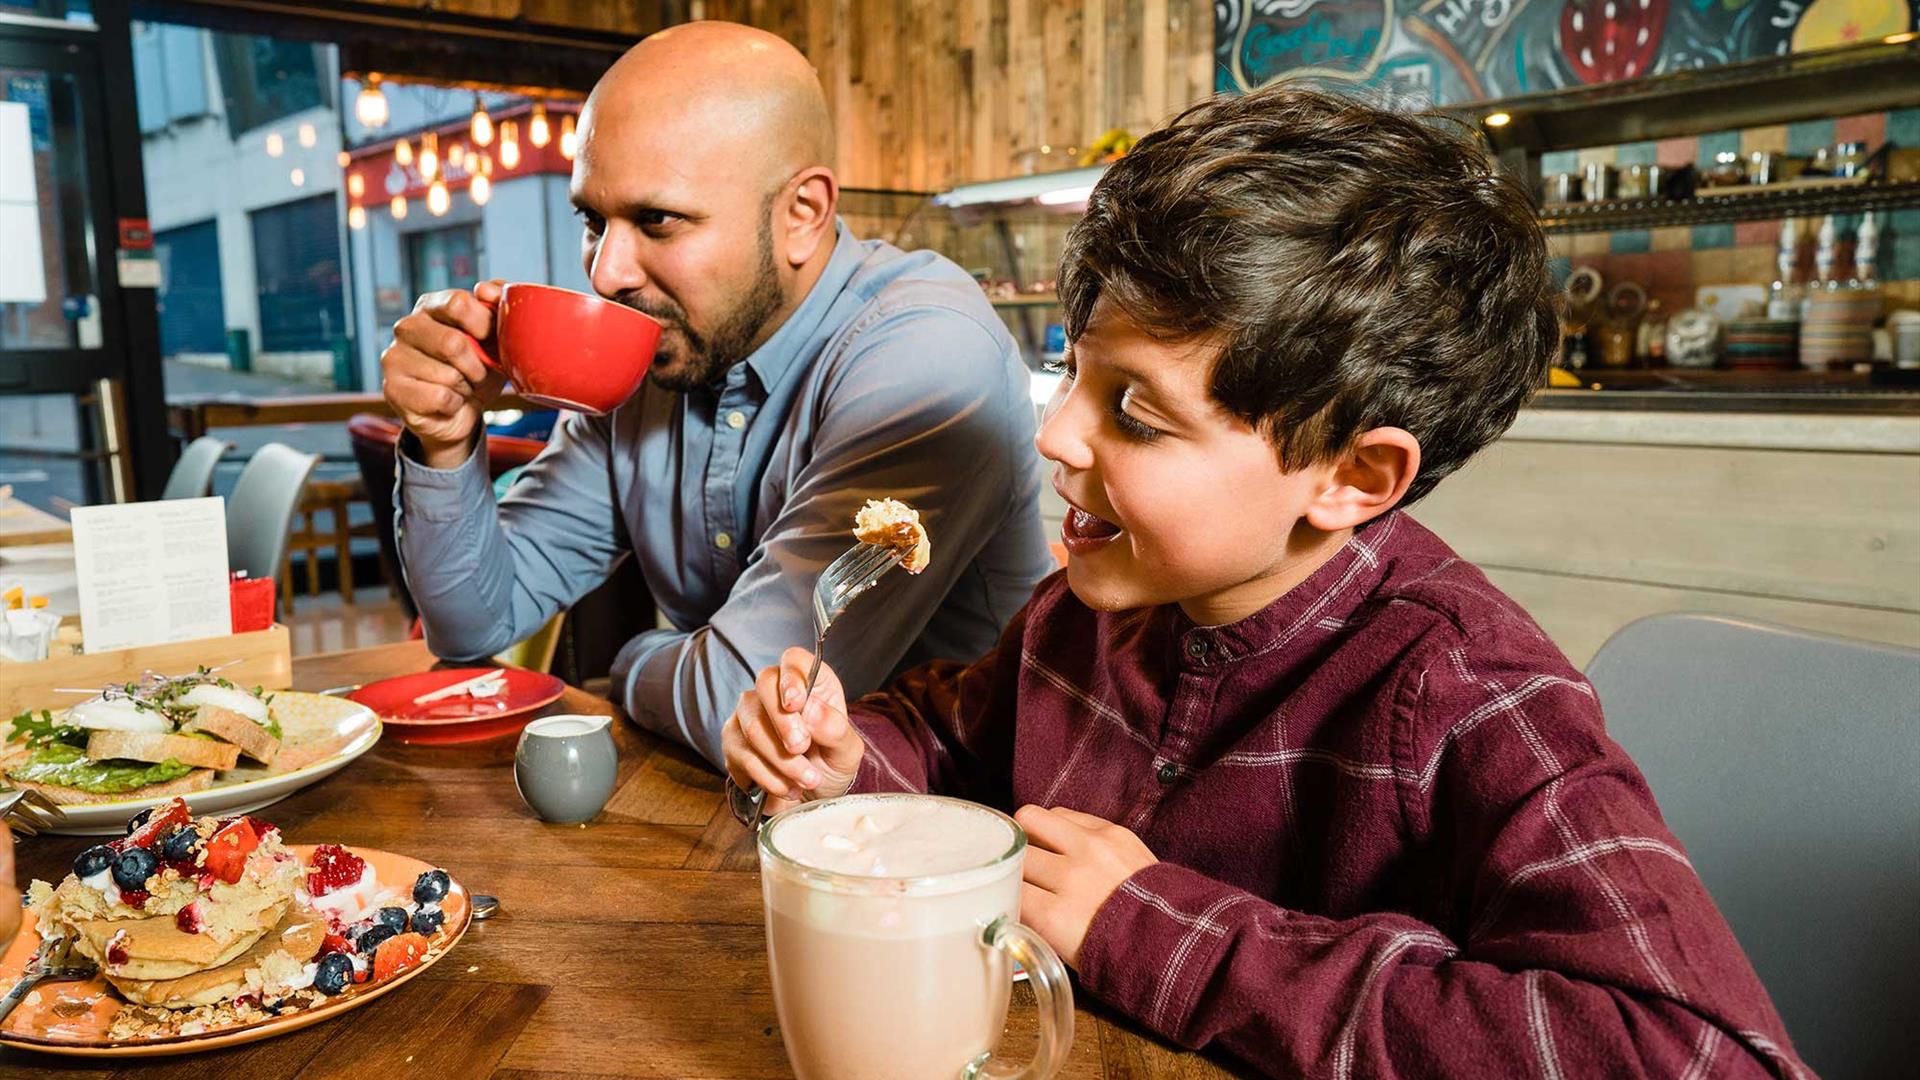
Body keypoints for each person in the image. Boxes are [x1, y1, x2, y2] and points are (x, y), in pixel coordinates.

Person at [722, 84, 1810, 1077]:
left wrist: (1159, 934)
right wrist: (846, 764)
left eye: (1137, 415)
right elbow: (953, 738)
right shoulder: (1088, 609)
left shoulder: (1473, 698)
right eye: (1071, 369)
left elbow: (1699, 1054)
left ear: (1351, 475)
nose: (1055, 433)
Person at [380, 22, 1053, 765]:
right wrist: (444, 438)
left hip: (947, 828)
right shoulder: (660, 353)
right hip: (733, 818)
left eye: (656, 220)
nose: (606, 273)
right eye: (592, 220)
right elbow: (475, 622)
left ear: (802, 215)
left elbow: (747, 700)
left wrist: (635, 661)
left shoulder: (926, 351)